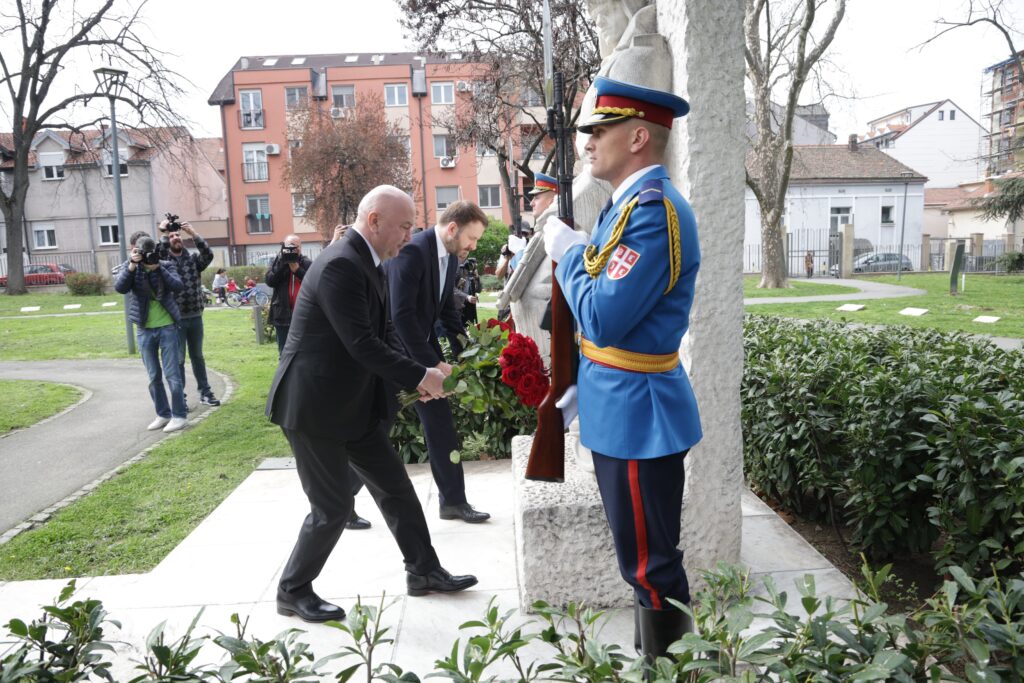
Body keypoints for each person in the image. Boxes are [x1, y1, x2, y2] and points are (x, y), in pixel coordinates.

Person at [265, 185, 477, 623]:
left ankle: (423, 571)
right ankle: (293, 590)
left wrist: (424, 370)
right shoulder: (343, 263)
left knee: (397, 489)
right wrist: (420, 375)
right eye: (404, 225)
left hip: (353, 404)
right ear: (374, 220)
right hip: (315, 407)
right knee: (333, 507)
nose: (409, 234)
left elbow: (384, 335)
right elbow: (362, 344)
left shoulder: (371, 261)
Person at [543, 76, 701, 661]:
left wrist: (566, 255)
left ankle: (673, 673)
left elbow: (604, 317)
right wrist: (586, 381)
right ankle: (656, 667)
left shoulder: (652, 214)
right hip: (619, 400)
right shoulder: (626, 207)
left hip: (639, 415)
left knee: (651, 564)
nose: (587, 141)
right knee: (640, 560)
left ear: (638, 136)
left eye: (599, 130)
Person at [384, 200, 491, 524]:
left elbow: (445, 312)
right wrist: (431, 365)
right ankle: (341, 503)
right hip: (390, 350)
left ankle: (453, 502)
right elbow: (400, 316)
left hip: (419, 344)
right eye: (471, 239)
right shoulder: (414, 251)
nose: (473, 247)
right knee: (377, 426)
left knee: (440, 422)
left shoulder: (451, 259)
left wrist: (465, 353)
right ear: (452, 228)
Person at [114, 233, 189, 433]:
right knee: (153, 375)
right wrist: (132, 266)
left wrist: (158, 269)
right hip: (145, 329)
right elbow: (120, 287)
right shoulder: (130, 266)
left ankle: (179, 415)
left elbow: (178, 285)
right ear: (135, 251)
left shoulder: (165, 264)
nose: (148, 257)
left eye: (150, 253)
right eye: (143, 253)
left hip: (167, 327)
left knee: (172, 374)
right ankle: (163, 414)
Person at [156, 218, 220, 408]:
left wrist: (193, 233)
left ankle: (205, 392)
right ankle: (180, 397)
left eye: (178, 235)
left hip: (195, 317)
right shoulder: (165, 261)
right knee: (178, 360)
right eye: (172, 235)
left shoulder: (193, 260)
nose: (176, 238)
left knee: (197, 356)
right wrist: (164, 232)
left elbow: (208, 255)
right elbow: (158, 253)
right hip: (176, 320)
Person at [265, 235, 313, 355]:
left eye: (295, 246)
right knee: (284, 352)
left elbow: (313, 283)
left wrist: (297, 270)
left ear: (300, 248)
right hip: (282, 315)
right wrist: (283, 265)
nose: (292, 249)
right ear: (283, 247)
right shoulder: (277, 262)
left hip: (303, 315)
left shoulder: (306, 263)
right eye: (289, 246)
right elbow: (270, 281)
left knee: (304, 351)